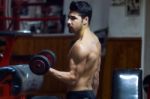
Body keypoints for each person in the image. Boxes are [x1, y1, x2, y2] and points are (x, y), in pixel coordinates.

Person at [48, 1, 101, 99]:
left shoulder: (80, 46)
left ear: (85, 20)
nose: (68, 22)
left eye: (73, 18)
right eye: (68, 17)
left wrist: (48, 69)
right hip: (89, 94)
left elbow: (72, 78)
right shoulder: (95, 40)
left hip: (77, 95)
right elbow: (96, 75)